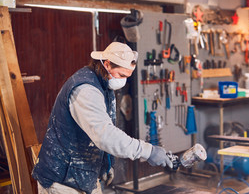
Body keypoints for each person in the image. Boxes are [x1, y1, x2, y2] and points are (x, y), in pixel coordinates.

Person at [32, 42, 173, 194]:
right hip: (61, 179)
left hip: (82, 174)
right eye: (121, 75)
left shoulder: (103, 84)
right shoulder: (86, 90)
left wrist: (104, 163)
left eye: (127, 76)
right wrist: (148, 151)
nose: (123, 81)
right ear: (107, 64)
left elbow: (99, 129)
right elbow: (105, 135)